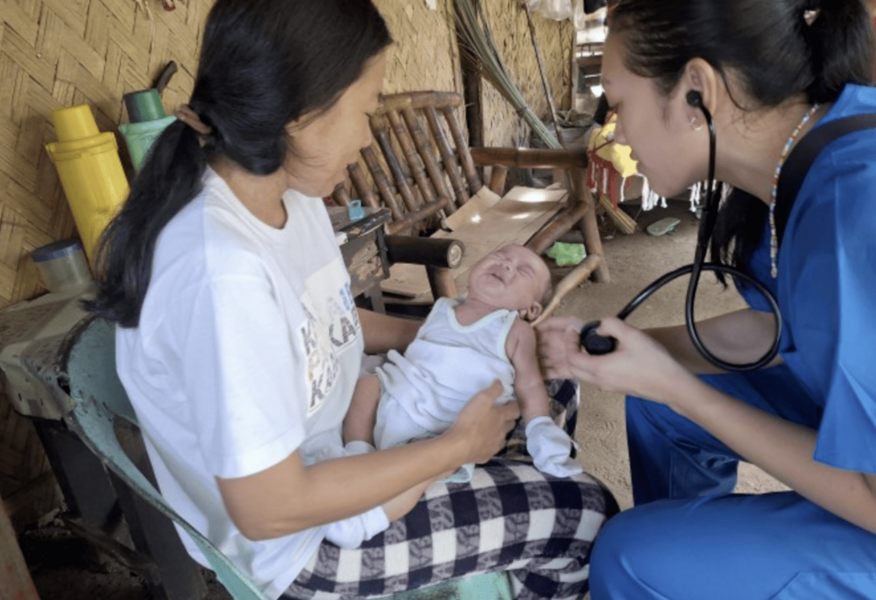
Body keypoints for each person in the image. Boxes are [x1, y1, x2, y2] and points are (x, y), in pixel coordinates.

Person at [84, 1, 612, 598]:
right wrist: (457, 447)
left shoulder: (292, 195)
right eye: (365, 112)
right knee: (585, 515)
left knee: (552, 380)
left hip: (345, 436)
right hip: (305, 541)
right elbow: (269, 509)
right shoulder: (218, 270)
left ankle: (502, 538)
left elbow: (327, 318)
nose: (366, 136)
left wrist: (461, 337)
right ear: (299, 114)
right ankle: (514, 544)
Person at [537, 1, 876, 598]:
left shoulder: (853, 214)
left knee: (630, 555)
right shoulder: (806, 157)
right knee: (657, 406)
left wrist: (678, 387)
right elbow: (779, 330)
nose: (615, 132)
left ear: (698, 92)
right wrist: (640, 352)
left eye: (617, 104)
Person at [342, 244, 583, 492]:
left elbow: (530, 384)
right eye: (499, 255)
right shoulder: (443, 307)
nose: (506, 264)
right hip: (400, 397)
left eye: (523, 271)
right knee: (367, 385)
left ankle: (387, 467)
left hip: (450, 423)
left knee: (562, 384)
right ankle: (358, 450)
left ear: (531, 309)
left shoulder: (515, 330)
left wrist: (540, 425)